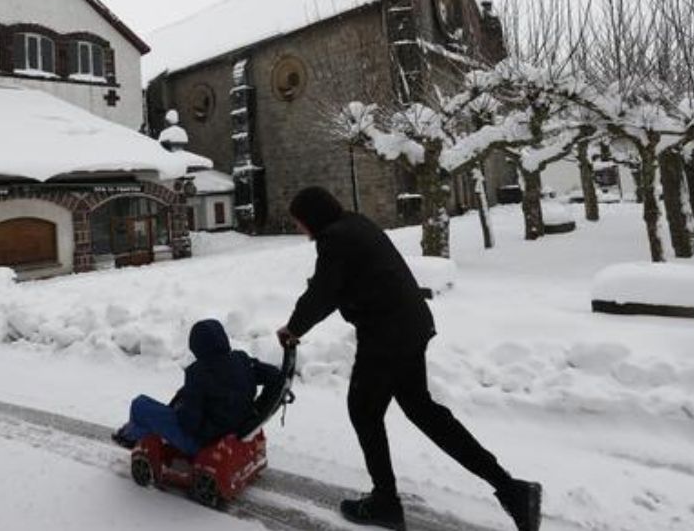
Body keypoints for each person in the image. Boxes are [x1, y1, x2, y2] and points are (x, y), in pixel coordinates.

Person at [276, 186, 541, 531]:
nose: (300, 230)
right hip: (410, 326)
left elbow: (324, 292)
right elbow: (340, 280)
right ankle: (511, 489)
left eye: (299, 223)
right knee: (422, 411)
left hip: (387, 335)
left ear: (311, 218)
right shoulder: (354, 224)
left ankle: (385, 501)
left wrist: (293, 328)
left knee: (364, 410)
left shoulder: (335, 239)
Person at [113, 319, 282, 455]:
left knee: (140, 404)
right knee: (182, 396)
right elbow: (275, 376)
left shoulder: (198, 373)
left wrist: (179, 410)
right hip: (236, 425)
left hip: (202, 442)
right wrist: (257, 409)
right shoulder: (242, 360)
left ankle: (132, 437)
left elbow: (189, 424)